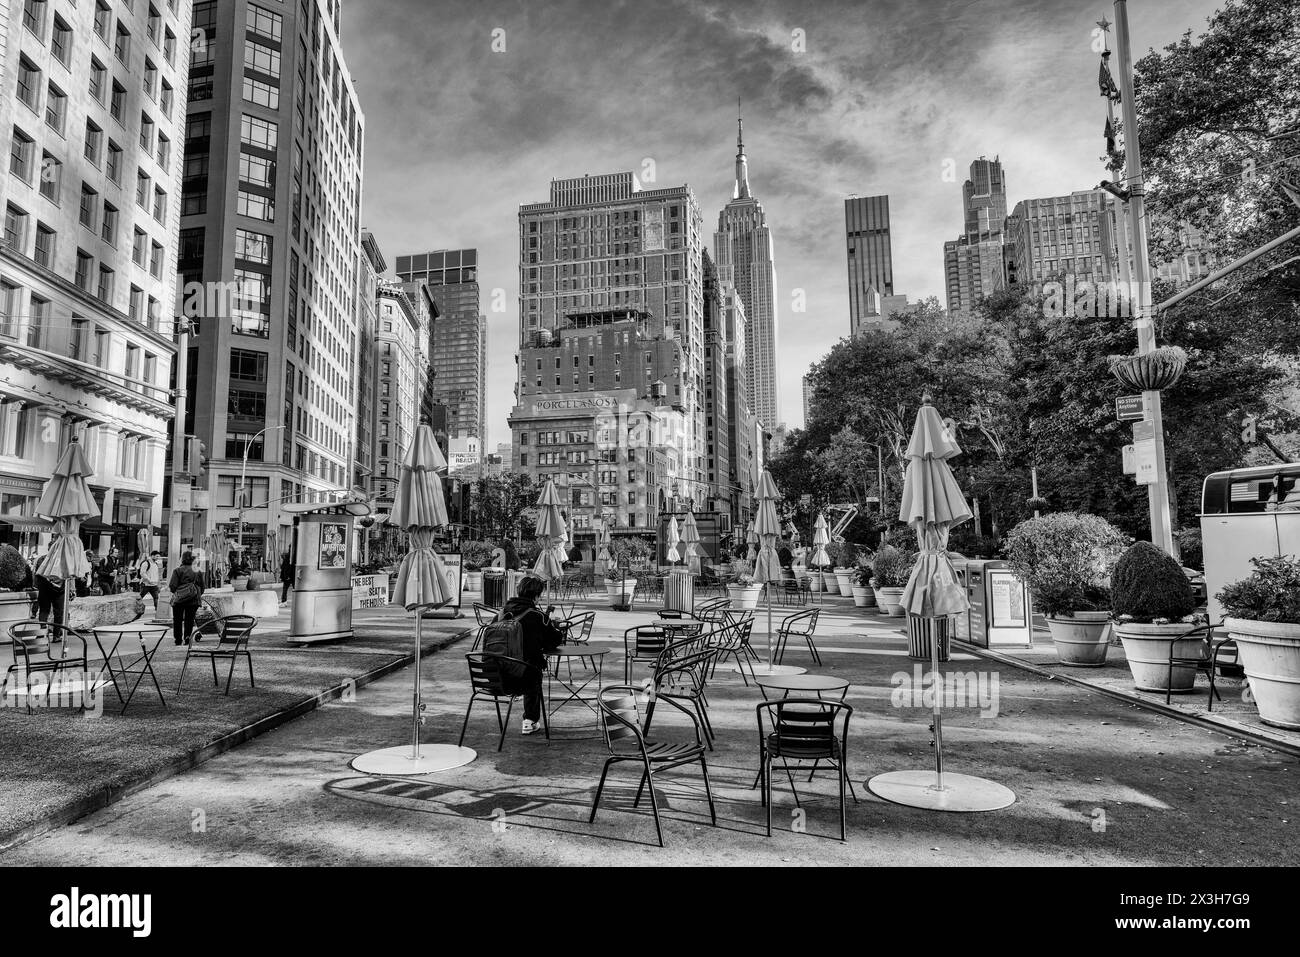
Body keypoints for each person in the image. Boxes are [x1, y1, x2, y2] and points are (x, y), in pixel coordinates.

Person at [500, 575, 565, 734]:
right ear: (536, 596)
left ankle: (528, 720)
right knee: (533, 666)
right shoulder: (537, 616)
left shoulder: (502, 612)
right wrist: (555, 627)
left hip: (499, 676)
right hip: (524, 677)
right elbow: (554, 640)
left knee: (528, 664)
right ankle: (529, 720)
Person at [168, 551, 205, 646]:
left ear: (182, 558)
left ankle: (178, 640)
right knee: (190, 619)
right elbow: (202, 587)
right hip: (193, 600)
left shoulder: (177, 570)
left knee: (177, 619)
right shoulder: (198, 571)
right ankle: (187, 637)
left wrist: (180, 592)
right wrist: (195, 593)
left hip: (179, 600)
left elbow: (172, 586)